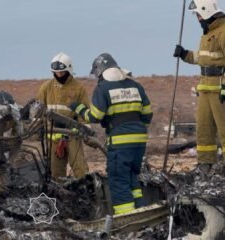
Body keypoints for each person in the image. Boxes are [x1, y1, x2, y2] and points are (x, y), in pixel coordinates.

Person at [69, 53, 153, 215]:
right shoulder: (135, 86)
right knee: (132, 177)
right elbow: (147, 115)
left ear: (100, 72)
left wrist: (79, 108)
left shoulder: (103, 88)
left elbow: (95, 116)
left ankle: (127, 218)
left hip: (120, 143)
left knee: (118, 180)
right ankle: (141, 210)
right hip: (140, 142)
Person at [173, 0, 225, 176]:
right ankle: (205, 164)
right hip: (205, 89)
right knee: (204, 129)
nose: (197, 19)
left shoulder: (223, 32)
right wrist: (184, 54)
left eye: (198, 15)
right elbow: (202, 58)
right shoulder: (207, 35)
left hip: (220, 90)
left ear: (207, 12)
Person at [36, 52, 90, 180]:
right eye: (56, 73)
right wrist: (38, 127)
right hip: (53, 137)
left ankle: (84, 193)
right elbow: (38, 111)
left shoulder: (79, 88)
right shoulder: (46, 87)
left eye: (62, 72)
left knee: (79, 169)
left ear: (69, 70)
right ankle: (60, 197)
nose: (59, 75)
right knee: (55, 172)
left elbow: (85, 113)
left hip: (72, 135)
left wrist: (85, 129)